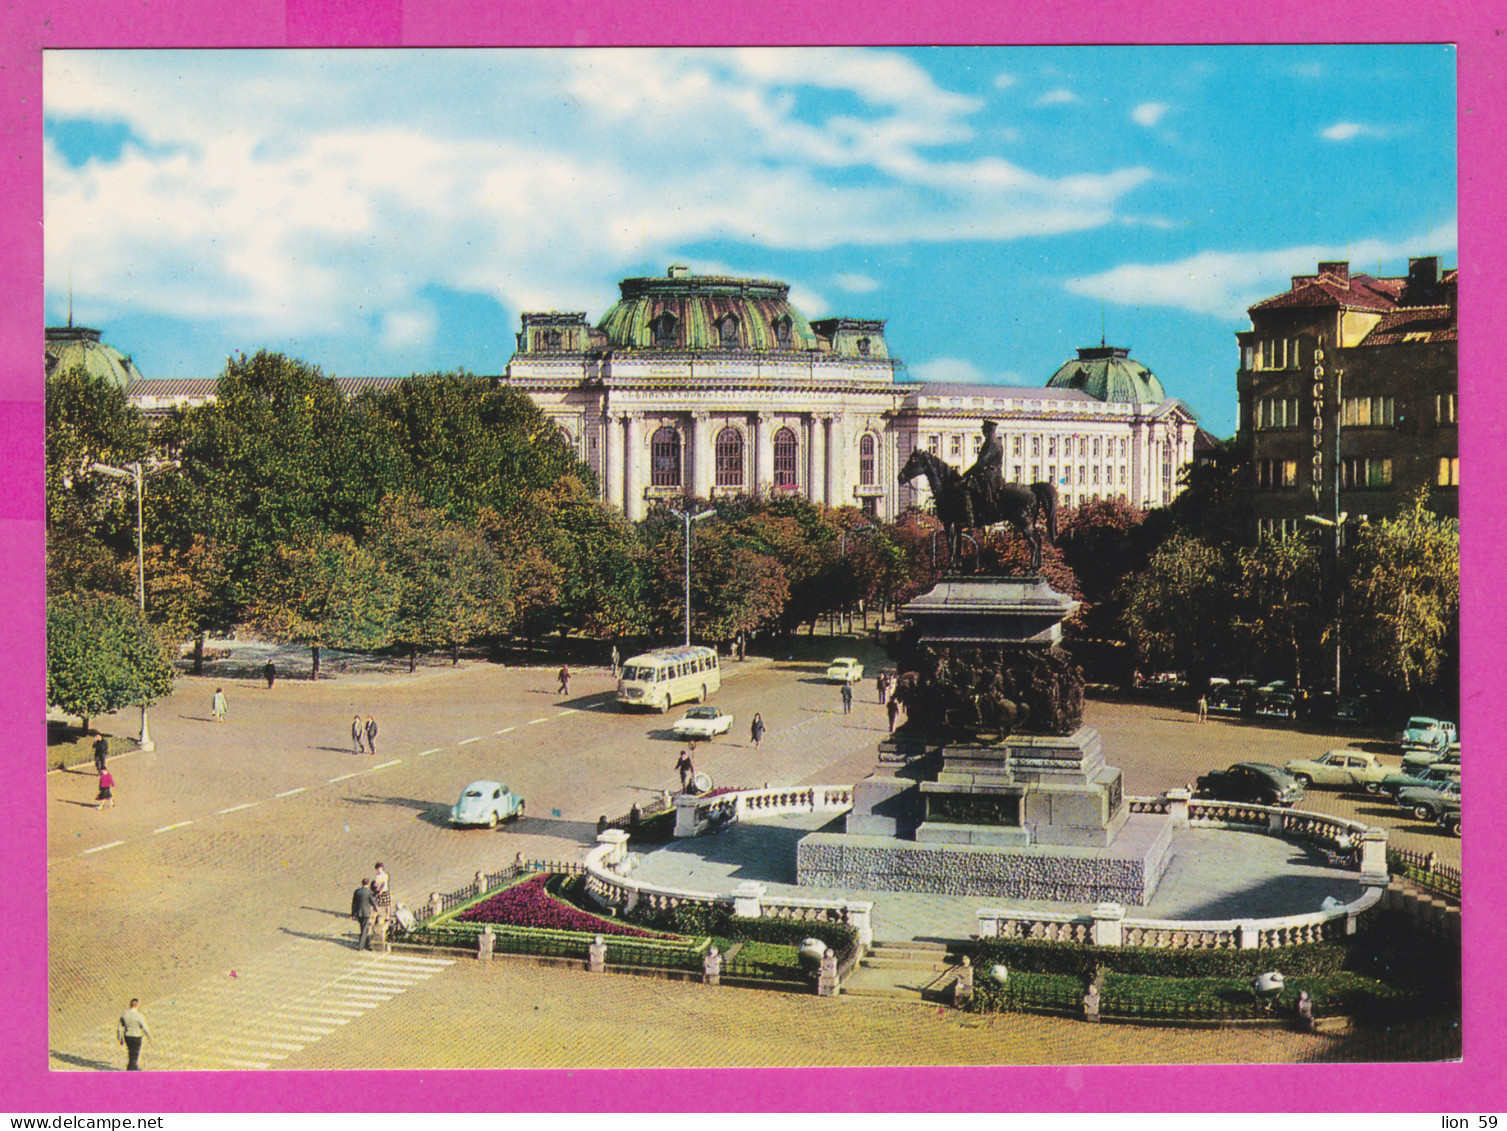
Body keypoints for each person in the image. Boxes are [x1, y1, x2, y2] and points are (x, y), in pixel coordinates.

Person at [960, 419, 1004, 517]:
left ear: (989, 430)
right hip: (991, 473)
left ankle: (970, 518)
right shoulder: (992, 441)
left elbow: (983, 462)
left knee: (965, 487)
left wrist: (967, 473)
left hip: (990, 475)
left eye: (984, 429)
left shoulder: (992, 443)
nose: (983, 431)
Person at [117, 998, 151, 1070]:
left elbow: (120, 1027)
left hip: (127, 1035)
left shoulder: (124, 1014)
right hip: (137, 1036)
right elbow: (145, 1027)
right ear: (137, 1005)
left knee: (130, 1051)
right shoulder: (139, 1015)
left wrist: (120, 1037)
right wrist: (149, 1036)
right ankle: (132, 1067)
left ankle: (131, 1066)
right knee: (135, 1052)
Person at [351, 878, 376, 950]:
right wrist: (375, 908)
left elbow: (354, 903)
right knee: (365, 929)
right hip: (366, 913)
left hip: (359, 913)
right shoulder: (369, 892)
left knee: (363, 928)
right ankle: (361, 946)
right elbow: (372, 902)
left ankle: (367, 944)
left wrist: (353, 913)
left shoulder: (357, 891)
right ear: (368, 884)